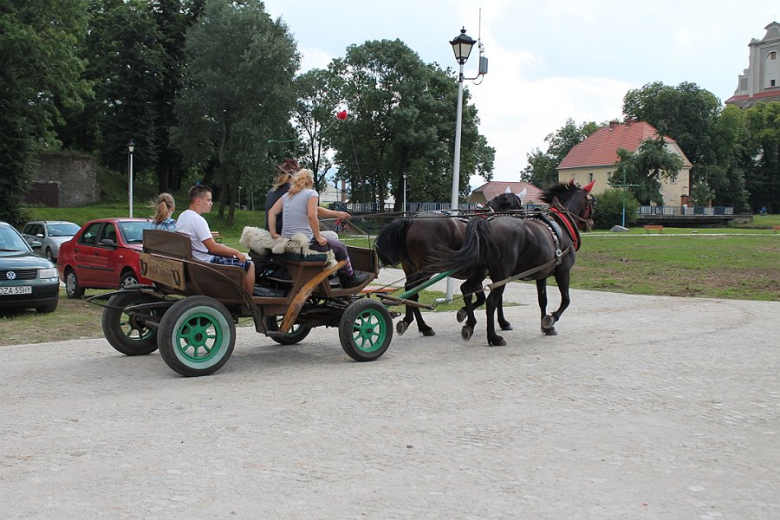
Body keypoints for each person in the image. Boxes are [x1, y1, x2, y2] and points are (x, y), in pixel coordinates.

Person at [267, 169, 368, 288]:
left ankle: (333, 275)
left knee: (332, 242)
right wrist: (318, 237)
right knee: (340, 247)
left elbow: (272, 212)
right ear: (310, 182)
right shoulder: (311, 193)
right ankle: (349, 279)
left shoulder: (287, 196)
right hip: (304, 243)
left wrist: (273, 233)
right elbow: (312, 215)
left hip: (288, 241)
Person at [176, 184, 256, 294]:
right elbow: (213, 247)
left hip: (193, 261)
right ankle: (248, 302)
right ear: (198, 200)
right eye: (208, 200)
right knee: (249, 265)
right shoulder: (198, 220)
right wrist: (236, 252)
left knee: (231, 257)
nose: (211, 204)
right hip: (204, 263)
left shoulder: (183, 216)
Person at [265, 158, 352, 237]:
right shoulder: (292, 191)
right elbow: (313, 211)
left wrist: (273, 233)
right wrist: (337, 214)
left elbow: (272, 212)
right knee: (333, 236)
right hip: (289, 233)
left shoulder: (272, 191)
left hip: (274, 231)